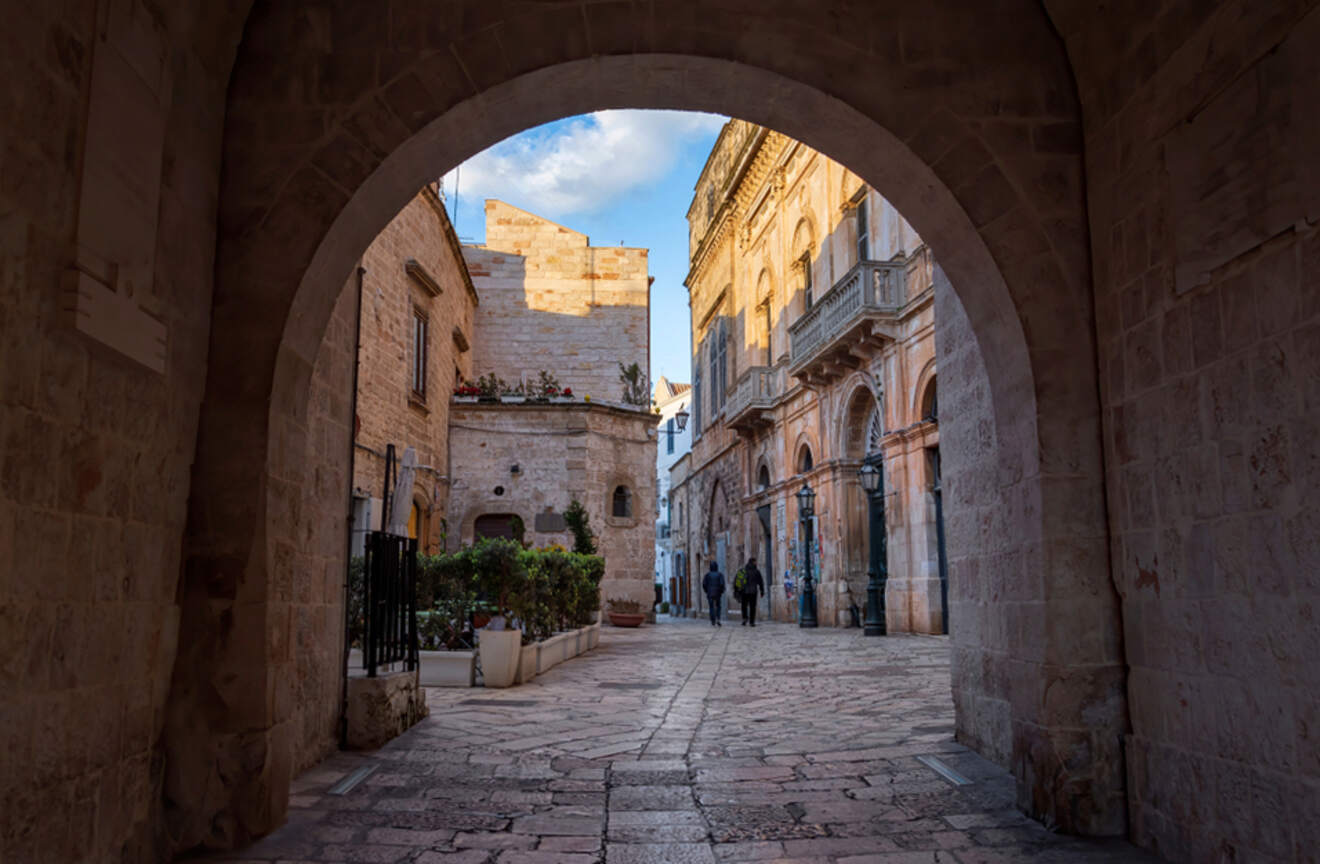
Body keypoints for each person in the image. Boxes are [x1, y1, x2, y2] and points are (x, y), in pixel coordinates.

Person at [739, 557, 765, 626]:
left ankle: (744, 618)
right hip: (753, 591)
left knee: (744, 606)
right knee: (752, 607)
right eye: (755, 562)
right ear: (753, 562)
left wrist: (738, 590)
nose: (756, 563)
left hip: (744, 591)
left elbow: (739, 582)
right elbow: (760, 582)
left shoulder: (743, 571)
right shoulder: (756, 571)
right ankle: (752, 621)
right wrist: (762, 591)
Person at [701, 561, 726, 627]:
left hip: (710, 593)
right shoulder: (720, 574)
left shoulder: (707, 575)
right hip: (717, 593)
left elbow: (704, 584)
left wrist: (707, 590)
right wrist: (721, 591)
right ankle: (718, 618)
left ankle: (713, 620)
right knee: (718, 606)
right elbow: (722, 584)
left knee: (711, 607)